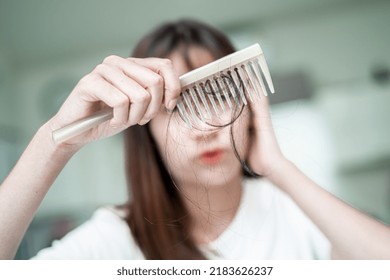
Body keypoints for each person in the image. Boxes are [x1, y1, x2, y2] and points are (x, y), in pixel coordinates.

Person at [0, 19, 389, 260]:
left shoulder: (294, 212)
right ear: (145, 132)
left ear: (249, 106)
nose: (205, 128)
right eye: (173, 107)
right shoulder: (115, 237)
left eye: (218, 95)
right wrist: (54, 144)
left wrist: (277, 167)